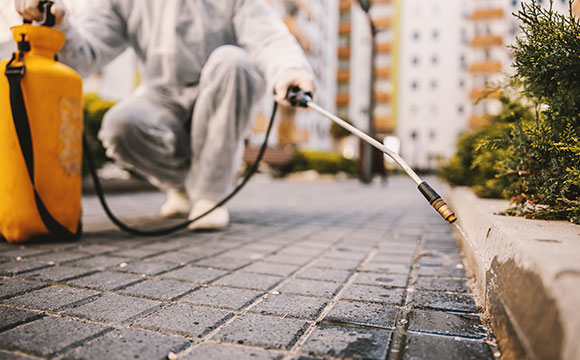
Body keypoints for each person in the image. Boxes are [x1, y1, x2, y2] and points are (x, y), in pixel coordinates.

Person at [15, 0, 314, 230]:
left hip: (221, 87)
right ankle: (184, 186)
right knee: (120, 126)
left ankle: (210, 196)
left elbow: (268, 36)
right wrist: (57, 21)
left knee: (232, 60)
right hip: (161, 95)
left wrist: (289, 69)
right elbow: (85, 54)